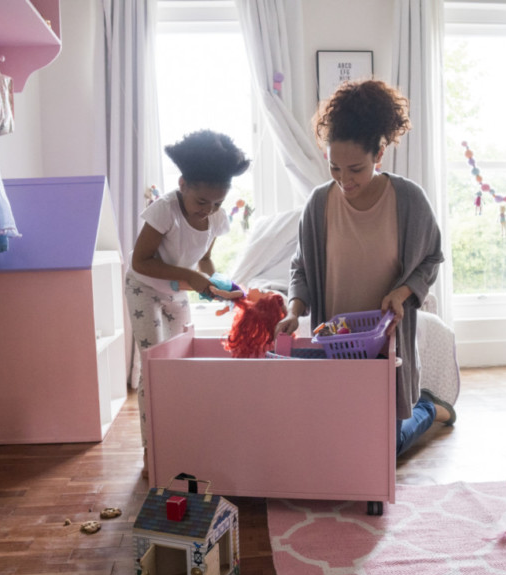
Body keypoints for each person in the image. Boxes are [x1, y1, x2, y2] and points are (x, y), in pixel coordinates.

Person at [274, 80, 455, 457]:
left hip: (385, 344)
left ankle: (428, 408)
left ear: (379, 154)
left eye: (355, 168)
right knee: (336, 444)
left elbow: (431, 257)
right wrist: (293, 311)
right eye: (334, 168)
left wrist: (402, 293)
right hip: (337, 344)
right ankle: (421, 410)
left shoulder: (408, 200)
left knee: (383, 450)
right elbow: (301, 268)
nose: (344, 180)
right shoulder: (318, 204)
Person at [125, 129, 251, 473]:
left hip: (176, 289)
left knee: (180, 362)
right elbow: (140, 261)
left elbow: (204, 261)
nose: (208, 211)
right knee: (153, 366)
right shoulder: (164, 211)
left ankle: (178, 438)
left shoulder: (216, 218)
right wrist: (192, 278)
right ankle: (152, 450)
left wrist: (219, 284)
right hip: (144, 288)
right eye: (201, 202)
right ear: (183, 185)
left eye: (217, 204)